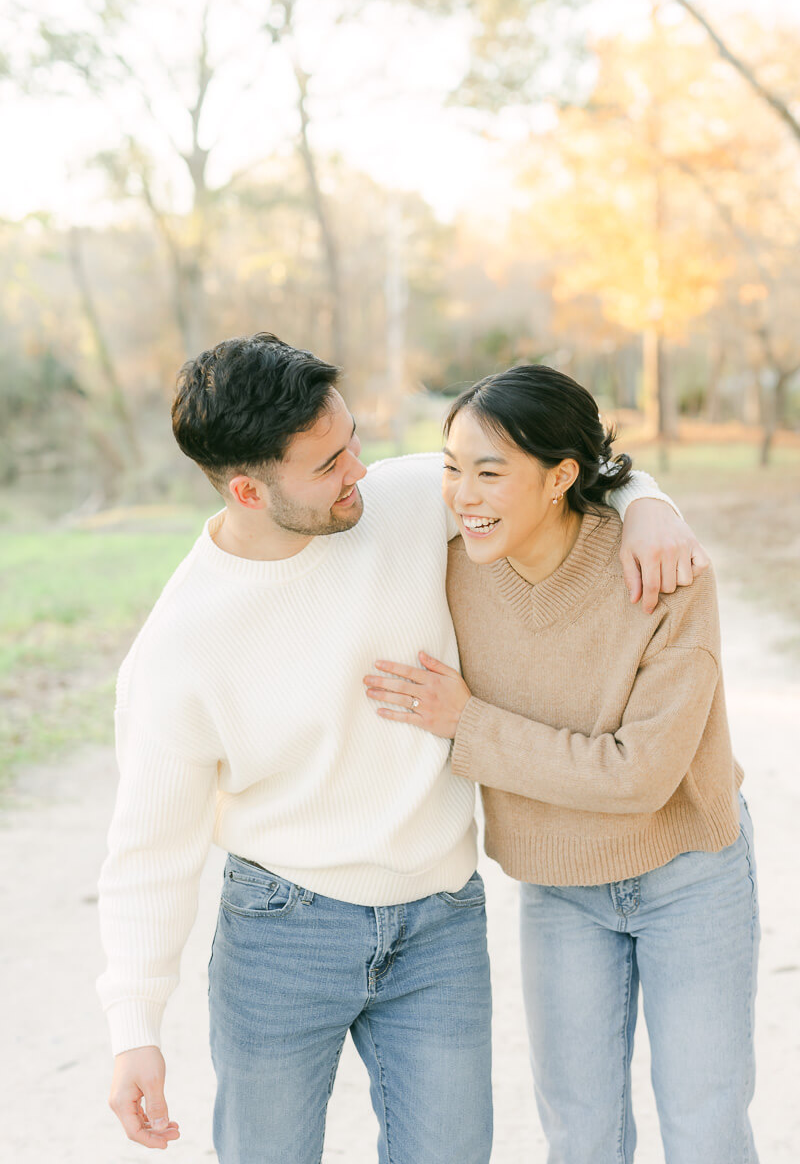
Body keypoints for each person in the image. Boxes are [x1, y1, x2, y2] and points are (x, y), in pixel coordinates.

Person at [98, 333, 702, 1162]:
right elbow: (148, 852)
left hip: (439, 924)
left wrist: (650, 503)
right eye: (328, 465)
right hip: (284, 933)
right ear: (247, 488)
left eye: (353, 442)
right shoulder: (179, 649)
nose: (359, 472)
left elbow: (555, 464)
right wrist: (135, 1027)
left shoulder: (405, 497)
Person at [365, 362, 758, 1164]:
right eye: (451, 469)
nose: (463, 495)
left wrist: (467, 724)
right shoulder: (445, 574)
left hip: (690, 872)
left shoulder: (663, 571)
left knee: (705, 1131)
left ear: (561, 478)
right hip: (559, 888)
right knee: (580, 1135)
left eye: (488, 473)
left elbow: (639, 775)